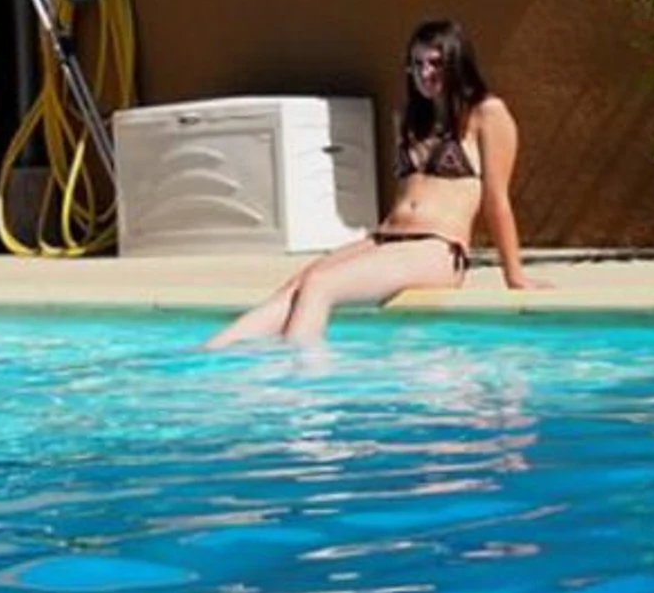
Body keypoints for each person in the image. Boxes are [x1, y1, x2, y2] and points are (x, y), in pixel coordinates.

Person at [206, 18, 545, 349]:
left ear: (458, 63)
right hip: (385, 240)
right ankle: (208, 356)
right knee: (297, 286)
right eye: (417, 64)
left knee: (321, 285)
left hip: (437, 248)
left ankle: (302, 377)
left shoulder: (488, 113)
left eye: (436, 63)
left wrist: (514, 275)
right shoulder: (410, 119)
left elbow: (497, 201)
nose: (425, 73)